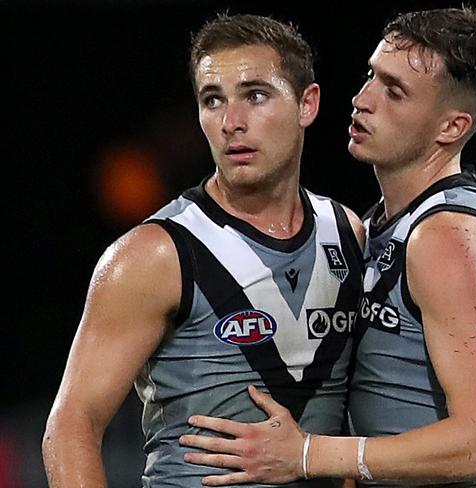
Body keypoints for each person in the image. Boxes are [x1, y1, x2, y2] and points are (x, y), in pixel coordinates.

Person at [177, 6, 476, 488]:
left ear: (451, 128)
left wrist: (306, 454)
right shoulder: (380, 225)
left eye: (395, 92)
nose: (362, 99)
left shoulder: (447, 238)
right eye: (371, 76)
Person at [41, 13, 365, 488]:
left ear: (307, 104)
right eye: (213, 100)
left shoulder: (347, 232)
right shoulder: (153, 254)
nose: (232, 122)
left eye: (256, 95)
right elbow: (71, 426)